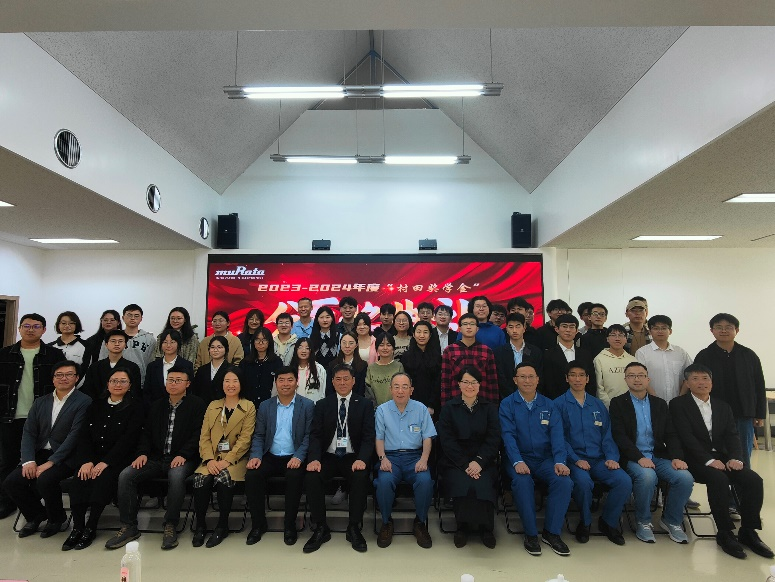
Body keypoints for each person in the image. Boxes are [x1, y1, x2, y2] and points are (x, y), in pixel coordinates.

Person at [669, 364, 773, 559]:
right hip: (694, 459)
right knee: (719, 479)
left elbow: (732, 435)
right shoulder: (678, 404)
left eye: (705, 378)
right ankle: (725, 532)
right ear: (687, 383)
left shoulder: (722, 406)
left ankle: (748, 531)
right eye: (695, 379)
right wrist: (708, 460)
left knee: (753, 480)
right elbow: (686, 437)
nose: (701, 382)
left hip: (722, 457)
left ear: (712, 382)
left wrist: (735, 457)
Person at [105, 365, 206, 551]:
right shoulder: (157, 405)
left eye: (178, 380)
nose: (173, 384)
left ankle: (170, 524)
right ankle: (129, 526)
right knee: (126, 475)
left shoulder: (197, 405)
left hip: (184, 458)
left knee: (176, 476)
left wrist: (183, 454)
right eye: (170, 380)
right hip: (156, 458)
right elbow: (146, 433)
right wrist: (142, 453)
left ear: (188, 384)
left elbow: (198, 434)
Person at [3, 360, 90, 538]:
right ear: (53, 379)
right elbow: (29, 432)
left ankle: (56, 518)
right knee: (11, 482)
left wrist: (52, 462)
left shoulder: (84, 401)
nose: (64, 378)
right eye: (59, 375)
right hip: (39, 453)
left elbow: (74, 436)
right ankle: (35, 515)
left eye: (69, 374)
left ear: (77, 378)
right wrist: (28, 460)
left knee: (45, 479)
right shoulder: (40, 402)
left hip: (67, 455)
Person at [609, 362, 693, 544]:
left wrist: (677, 457)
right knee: (647, 477)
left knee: (685, 478)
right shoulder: (618, 403)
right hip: (632, 457)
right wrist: (639, 457)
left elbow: (671, 434)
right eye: (631, 375)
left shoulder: (660, 404)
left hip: (657, 455)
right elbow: (619, 436)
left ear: (648, 379)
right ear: (625, 379)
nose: (636, 379)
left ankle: (671, 520)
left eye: (641, 375)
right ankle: (643, 521)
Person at [64, 367, 144, 550]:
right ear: (107, 384)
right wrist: (86, 461)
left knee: (102, 480)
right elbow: (84, 436)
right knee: (79, 480)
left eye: (123, 381)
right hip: (91, 458)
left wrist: (105, 462)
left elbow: (128, 439)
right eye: (114, 381)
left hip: (118, 459)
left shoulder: (136, 407)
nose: (118, 384)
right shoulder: (95, 405)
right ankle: (77, 527)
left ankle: (91, 527)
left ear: (130, 385)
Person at [499, 362, 573, 557]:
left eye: (531, 376)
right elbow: (508, 436)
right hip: (518, 458)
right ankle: (531, 534)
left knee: (564, 481)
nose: (527, 380)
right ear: (515, 380)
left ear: (538, 380)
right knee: (522, 481)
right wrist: (517, 461)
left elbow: (558, 436)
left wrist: (560, 461)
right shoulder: (507, 404)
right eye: (522, 377)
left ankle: (552, 533)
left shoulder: (549, 405)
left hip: (545, 459)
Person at [553, 362, 630, 545]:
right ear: (566, 379)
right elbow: (559, 438)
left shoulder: (597, 404)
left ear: (588, 379)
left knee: (624, 481)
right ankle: (585, 522)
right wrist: (575, 459)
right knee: (583, 482)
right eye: (573, 375)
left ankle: (608, 522)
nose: (577, 379)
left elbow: (607, 435)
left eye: (582, 375)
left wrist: (611, 458)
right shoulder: (558, 404)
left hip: (599, 459)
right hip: (574, 460)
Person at [302, 364, 375, 553]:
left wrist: (362, 459)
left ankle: (354, 527)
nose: (342, 383)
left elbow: (369, 437)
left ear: (353, 381)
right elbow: (315, 435)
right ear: (332, 382)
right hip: (329, 455)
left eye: (346, 379)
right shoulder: (322, 405)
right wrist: (314, 459)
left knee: (360, 476)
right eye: (338, 379)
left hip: (353, 456)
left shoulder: (365, 404)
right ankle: (320, 527)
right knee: (312, 476)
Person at [0, 313, 66, 519]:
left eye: (36, 326)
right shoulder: (4, 354)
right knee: (7, 461)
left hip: (42, 419)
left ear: (44, 330)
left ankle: (33, 502)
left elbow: (62, 386)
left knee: (38, 460)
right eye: (26, 326)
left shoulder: (55, 355)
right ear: (19, 328)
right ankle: (7, 502)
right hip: (10, 416)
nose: (31, 329)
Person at [244, 366, 314, 546]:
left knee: (294, 477)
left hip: (294, 455)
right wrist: (256, 455)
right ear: (276, 383)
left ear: (297, 382)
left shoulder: (307, 405)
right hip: (270, 455)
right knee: (252, 475)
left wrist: (299, 457)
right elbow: (259, 435)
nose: (285, 384)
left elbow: (309, 436)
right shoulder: (265, 406)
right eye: (281, 380)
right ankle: (258, 525)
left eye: (290, 380)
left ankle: (290, 525)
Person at [192, 367, 256, 548]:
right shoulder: (212, 405)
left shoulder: (248, 406)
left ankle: (222, 525)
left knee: (223, 478)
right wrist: (209, 459)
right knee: (201, 479)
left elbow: (245, 439)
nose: (231, 385)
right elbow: (204, 436)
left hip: (236, 459)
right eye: (227, 381)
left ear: (241, 384)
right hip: (211, 458)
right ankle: (200, 525)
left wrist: (227, 460)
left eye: (235, 381)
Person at [437, 366, 501, 549]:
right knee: (463, 483)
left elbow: (493, 438)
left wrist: (479, 462)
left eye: (474, 382)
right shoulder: (449, 408)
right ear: (459, 384)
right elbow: (447, 441)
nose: (470, 386)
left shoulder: (489, 408)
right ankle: (462, 528)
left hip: (484, 461)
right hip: (456, 462)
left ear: (480, 384)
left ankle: (486, 529)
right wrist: (466, 464)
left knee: (483, 483)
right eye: (465, 382)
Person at [694, 313, 765, 469]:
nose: (724, 330)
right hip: (713, 414)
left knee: (742, 455)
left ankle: (743, 483)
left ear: (736, 330)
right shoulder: (704, 355)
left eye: (728, 327)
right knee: (717, 455)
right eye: (719, 327)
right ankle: (722, 484)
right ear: (712, 330)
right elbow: (696, 385)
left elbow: (759, 385)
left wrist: (759, 413)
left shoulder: (748, 355)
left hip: (743, 413)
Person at [374, 373, 436, 549]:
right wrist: (382, 458)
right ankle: (386, 522)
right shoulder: (382, 410)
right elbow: (379, 438)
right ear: (390, 389)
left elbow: (427, 437)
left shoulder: (421, 409)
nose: (400, 391)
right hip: (390, 457)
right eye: (396, 387)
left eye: (404, 387)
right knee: (384, 482)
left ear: (411, 390)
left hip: (415, 457)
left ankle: (420, 522)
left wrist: (424, 459)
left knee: (425, 481)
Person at [440, 313, 498, 407]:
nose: (468, 327)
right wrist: (445, 406)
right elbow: (445, 381)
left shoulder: (487, 351)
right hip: (456, 403)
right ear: (459, 329)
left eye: (472, 324)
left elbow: (492, 381)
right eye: (465, 324)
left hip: (482, 403)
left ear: (477, 329)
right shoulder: (449, 350)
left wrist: (494, 407)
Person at [636, 315, 693, 402]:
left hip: (678, 403)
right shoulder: (642, 353)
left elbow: (690, 375)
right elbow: (640, 377)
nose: (660, 331)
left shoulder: (680, 352)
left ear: (670, 331)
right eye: (656, 328)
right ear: (650, 331)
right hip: (652, 402)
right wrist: (656, 400)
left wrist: (680, 398)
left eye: (664, 328)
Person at [98, 304, 156, 388]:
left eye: (136, 316)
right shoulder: (113, 337)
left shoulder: (149, 339)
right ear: (123, 317)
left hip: (140, 382)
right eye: (129, 315)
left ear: (141, 319)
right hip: (114, 382)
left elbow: (151, 363)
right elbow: (102, 359)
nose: (132, 318)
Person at [541, 314, 596, 400]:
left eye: (572, 327)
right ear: (557, 329)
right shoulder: (547, 355)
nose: (568, 330)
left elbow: (591, 380)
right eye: (564, 326)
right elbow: (547, 382)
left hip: (583, 401)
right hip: (556, 401)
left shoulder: (585, 354)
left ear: (577, 331)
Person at [81, 330, 142, 402]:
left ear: (125, 345)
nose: (117, 344)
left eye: (120, 341)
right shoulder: (95, 367)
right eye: (113, 341)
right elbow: (88, 389)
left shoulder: (133, 367)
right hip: (98, 405)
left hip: (125, 404)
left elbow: (135, 391)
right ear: (106, 344)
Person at [494, 313, 543, 400]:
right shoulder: (499, 352)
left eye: (518, 326)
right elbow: (501, 378)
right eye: (511, 327)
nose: (514, 330)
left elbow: (539, 376)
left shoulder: (535, 352)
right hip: (507, 398)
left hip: (531, 397)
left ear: (524, 328)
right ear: (506, 329)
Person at [400, 321, 442, 418]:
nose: (422, 335)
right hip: (411, 403)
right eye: (418, 332)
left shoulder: (437, 357)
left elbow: (438, 382)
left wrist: (431, 404)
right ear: (413, 334)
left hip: (433, 405)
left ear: (430, 335)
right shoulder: (406, 356)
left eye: (425, 332)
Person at [144, 329, 194, 408]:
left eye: (172, 342)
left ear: (178, 344)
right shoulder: (152, 366)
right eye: (165, 342)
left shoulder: (187, 365)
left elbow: (189, 390)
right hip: (156, 408)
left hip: (180, 408)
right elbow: (147, 391)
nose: (168, 345)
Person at [594, 324, 637, 408]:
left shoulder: (633, 360)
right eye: (613, 335)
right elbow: (599, 388)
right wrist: (610, 406)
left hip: (631, 406)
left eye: (621, 335)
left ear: (626, 339)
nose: (617, 338)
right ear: (607, 339)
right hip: (608, 406)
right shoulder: (599, 359)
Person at [239, 327, 282, 408]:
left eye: (264, 340)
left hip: (270, 405)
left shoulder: (277, 362)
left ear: (269, 342)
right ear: (253, 342)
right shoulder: (245, 363)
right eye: (257, 339)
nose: (260, 343)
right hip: (248, 406)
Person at [365, 334, 405, 408]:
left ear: (393, 348)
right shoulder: (371, 368)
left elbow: (402, 389)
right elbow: (368, 392)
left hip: (396, 409)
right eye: (381, 345)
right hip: (376, 410)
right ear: (376, 348)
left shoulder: (399, 366)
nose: (385, 348)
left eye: (388, 345)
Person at [325, 332, 367, 396]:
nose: (347, 346)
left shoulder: (362, 365)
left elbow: (361, 389)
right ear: (340, 344)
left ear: (356, 345)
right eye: (344, 343)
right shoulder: (332, 364)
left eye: (351, 343)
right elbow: (329, 389)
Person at [190, 336, 229, 403]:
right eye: (212, 347)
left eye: (219, 347)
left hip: (223, 406)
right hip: (203, 406)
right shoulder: (202, 370)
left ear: (226, 349)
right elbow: (196, 391)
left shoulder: (231, 370)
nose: (215, 350)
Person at [290, 338, 326, 403]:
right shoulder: (290, 369)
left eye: (307, 348)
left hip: (313, 405)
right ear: (296, 350)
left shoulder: (319, 369)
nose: (304, 351)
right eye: (300, 347)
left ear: (311, 351)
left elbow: (322, 392)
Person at [310, 306, 340, 370]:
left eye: (327, 317)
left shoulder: (339, 336)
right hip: (317, 371)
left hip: (335, 371)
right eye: (321, 317)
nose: (325, 320)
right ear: (317, 319)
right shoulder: (311, 337)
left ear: (332, 318)